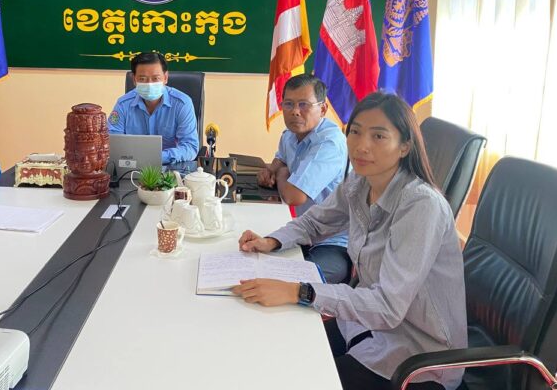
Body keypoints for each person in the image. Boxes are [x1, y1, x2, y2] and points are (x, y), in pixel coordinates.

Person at [234, 92, 467, 390]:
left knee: (296, 380)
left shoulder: (420, 206)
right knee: (278, 349)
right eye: (355, 132)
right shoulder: (359, 183)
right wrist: (272, 241)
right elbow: (316, 221)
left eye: (378, 136)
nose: (361, 145)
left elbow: (387, 306)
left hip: (417, 357)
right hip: (364, 327)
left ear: (405, 146)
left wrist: (300, 291)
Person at [257, 74, 349, 283]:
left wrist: (281, 173)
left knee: (291, 282)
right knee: (253, 262)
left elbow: (294, 196)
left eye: (303, 105)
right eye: (288, 104)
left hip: (333, 242)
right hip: (301, 231)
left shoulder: (328, 144)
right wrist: (270, 171)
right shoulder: (290, 135)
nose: (295, 111)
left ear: (323, 109)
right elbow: (280, 160)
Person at [108, 51, 199, 164]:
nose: (149, 84)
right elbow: (112, 142)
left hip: (170, 168)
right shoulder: (123, 104)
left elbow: (190, 147)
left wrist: (158, 157)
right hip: (132, 166)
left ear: (165, 78)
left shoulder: (182, 104)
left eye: (155, 78)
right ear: (134, 80)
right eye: (142, 79)